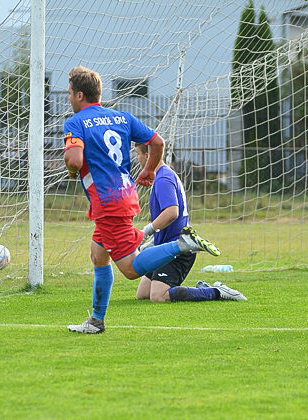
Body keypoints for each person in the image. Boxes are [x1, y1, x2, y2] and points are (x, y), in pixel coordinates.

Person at [63, 66, 221, 334]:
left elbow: (74, 160)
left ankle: (182, 244)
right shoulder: (122, 118)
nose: (68, 98)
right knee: (98, 255)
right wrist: (149, 168)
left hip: (108, 203)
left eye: (69, 93)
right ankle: (96, 321)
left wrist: (71, 169)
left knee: (131, 269)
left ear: (79, 95)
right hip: (125, 194)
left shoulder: (75, 123)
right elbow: (157, 142)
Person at [133, 143, 246, 302]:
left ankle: (216, 291)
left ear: (147, 155)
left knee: (158, 296)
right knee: (143, 294)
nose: (136, 158)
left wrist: (146, 231)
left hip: (179, 249)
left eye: (137, 153)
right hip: (164, 248)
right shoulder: (163, 175)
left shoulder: (163, 178)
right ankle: (204, 288)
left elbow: (172, 212)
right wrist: (152, 242)